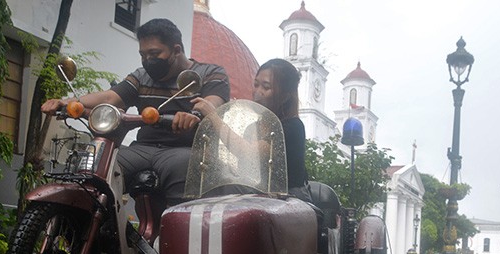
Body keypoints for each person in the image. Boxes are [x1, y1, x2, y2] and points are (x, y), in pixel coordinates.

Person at [41, 18, 230, 206]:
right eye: (143, 54)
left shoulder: (209, 74)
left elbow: (212, 103)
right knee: (99, 168)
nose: (148, 60)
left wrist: (195, 116)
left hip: (185, 149)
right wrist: (67, 102)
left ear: (176, 50)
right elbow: (110, 97)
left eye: (154, 53)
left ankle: (177, 222)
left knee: (182, 168)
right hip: (142, 148)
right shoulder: (141, 76)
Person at [192, 58, 310, 201]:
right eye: (256, 84)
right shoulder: (252, 127)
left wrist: (213, 116)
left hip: (289, 199)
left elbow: (248, 153)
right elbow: (246, 171)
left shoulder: (292, 127)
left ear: (285, 96)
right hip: (260, 195)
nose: (257, 92)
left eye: (266, 87)